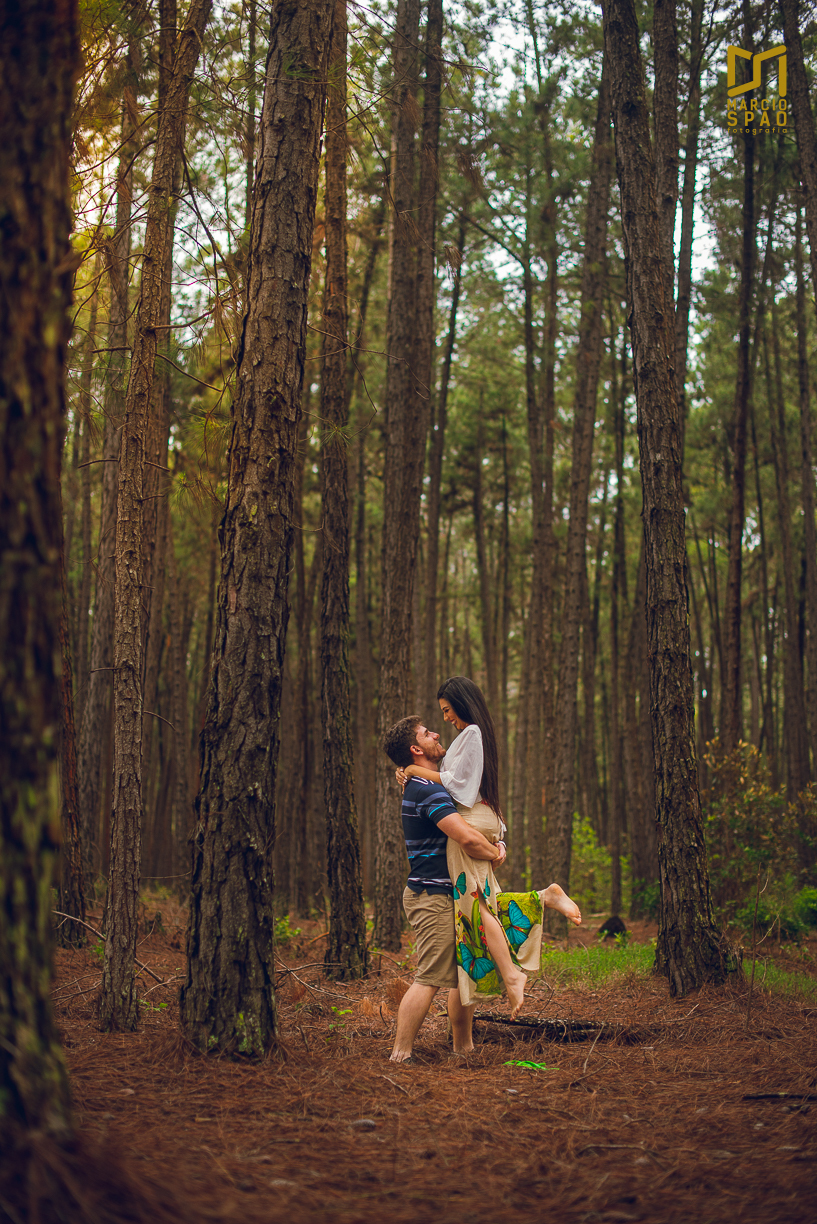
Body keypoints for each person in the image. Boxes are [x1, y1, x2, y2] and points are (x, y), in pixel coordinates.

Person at [396, 675, 581, 1019]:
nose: (445, 719)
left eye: (448, 710)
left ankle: (512, 975)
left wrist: (412, 770)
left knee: (476, 903)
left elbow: (461, 790)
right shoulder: (469, 737)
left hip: (471, 820)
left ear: (462, 702)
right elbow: (475, 788)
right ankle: (544, 898)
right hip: (480, 818)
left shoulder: (472, 734)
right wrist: (501, 835)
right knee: (486, 904)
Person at [382, 714, 506, 1062]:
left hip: (448, 892)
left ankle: (463, 1048)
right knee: (430, 977)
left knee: (462, 973)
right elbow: (465, 836)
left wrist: (500, 843)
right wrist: (494, 852)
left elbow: (476, 816)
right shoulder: (426, 789)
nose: (436, 733)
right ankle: (400, 1055)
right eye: (426, 733)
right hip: (431, 895)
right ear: (415, 748)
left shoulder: (430, 784)